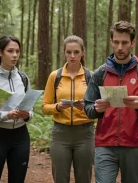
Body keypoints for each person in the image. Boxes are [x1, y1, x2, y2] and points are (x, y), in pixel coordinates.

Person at [84, 21, 138, 183]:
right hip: (105, 143)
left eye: (125, 42)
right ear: (111, 41)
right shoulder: (100, 73)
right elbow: (88, 108)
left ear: (132, 43)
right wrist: (97, 108)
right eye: (116, 42)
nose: (120, 47)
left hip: (134, 144)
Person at [42, 35, 94, 183]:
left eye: (76, 52)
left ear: (82, 52)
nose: (72, 56)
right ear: (64, 52)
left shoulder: (91, 76)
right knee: (60, 178)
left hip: (85, 133)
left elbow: (98, 107)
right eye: (69, 52)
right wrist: (58, 107)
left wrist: (86, 107)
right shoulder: (55, 76)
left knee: (84, 178)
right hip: (60, 134)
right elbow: (45, 107)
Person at [0, 35, 33, 183]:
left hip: (21, 136)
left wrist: (26, 115)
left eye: (17, 51)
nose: (15, 55)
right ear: (0, 52)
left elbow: (30, 110)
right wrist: (7, 115)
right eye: (10, 51)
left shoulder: (23, 78)